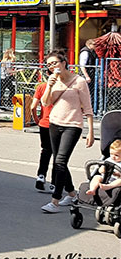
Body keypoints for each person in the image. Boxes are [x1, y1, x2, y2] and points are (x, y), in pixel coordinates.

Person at [40, 49, 96, 213]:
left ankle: (55, 201)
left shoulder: (79, 81)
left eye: (54, 63)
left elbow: (87, 108)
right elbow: (45, 103)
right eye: (49, 65)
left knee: (60, 161)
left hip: (73, 125)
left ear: (63, 63)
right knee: (59, 161)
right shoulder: (53, 81)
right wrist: (49, 86)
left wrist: (90, 131)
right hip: (54, 123)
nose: (52, 67)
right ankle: (72, 194)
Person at [30, 72, 55, 193]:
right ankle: (54, 183)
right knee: (58, 155)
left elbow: (33, 106)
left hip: (44, 123)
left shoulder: (41, 87)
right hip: (58, 123)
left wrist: (36, 119)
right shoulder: (63, 87)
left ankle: (41, 175)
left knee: (45, 150)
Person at [78, 39, 99, 110]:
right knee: (85, 92)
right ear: (89, 45)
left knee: (90, 92)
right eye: (94, 45)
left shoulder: (92, 52)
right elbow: (82, 66)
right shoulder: (85, 52)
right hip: (86, 75)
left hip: (91, 74)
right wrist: (86, 76)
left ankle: (90, 107)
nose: (95, 46)